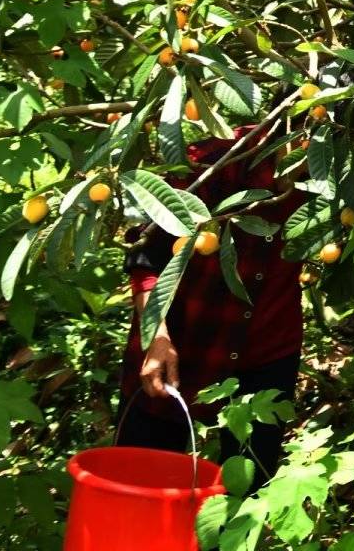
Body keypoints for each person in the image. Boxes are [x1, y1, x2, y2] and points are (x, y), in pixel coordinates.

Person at [118, 107, 304, 485]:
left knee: (247, 489)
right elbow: (145, 254)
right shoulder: (215, 164)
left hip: (267, 352)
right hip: (183, 342)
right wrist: (158, 337)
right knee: (142, 477)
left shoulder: (338, 179)